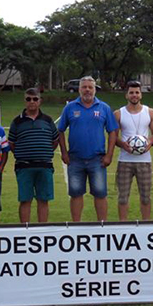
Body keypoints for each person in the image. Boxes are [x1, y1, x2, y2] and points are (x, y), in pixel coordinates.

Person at [58, 76, 118, 222]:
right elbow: (60, 131)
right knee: (76, 194)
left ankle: (102, 226)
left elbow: (113, 132)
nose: (87, 90)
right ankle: (76, 226)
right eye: (84, 87)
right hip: (75, 159)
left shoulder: (104, 108)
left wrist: (109, 155)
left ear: (95, 89)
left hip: (97, 159)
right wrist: (64, 153)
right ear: (79, 89)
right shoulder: (70, 107)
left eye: (90, 87)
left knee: (100, 193)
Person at [8, 88, 60, 223]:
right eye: (28, 99)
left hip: (44, 166)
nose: (32, 102)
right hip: (24, 166)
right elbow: (12, 143)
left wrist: (44, 152)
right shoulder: (16, 122)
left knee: (43, 199)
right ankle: (25, 230)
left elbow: (55, 140)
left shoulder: (48, 120)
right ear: (24, 101)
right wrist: (23, 154)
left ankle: (42, 229)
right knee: (25, 199)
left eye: (35, 99)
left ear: (40, 101)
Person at [113, 80, 153, 220]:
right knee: (122, 197)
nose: (134, 95)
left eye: (137, 92)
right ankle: (123, 225)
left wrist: (149, 143)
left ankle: (145, 225)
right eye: (131, 92)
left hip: (144, 161)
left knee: (145, 197)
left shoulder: (150, 112)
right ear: (126, 95)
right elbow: (113, 136)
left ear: (141, 95)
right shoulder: (118, 113)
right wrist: (123, 144)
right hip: (125, 161)